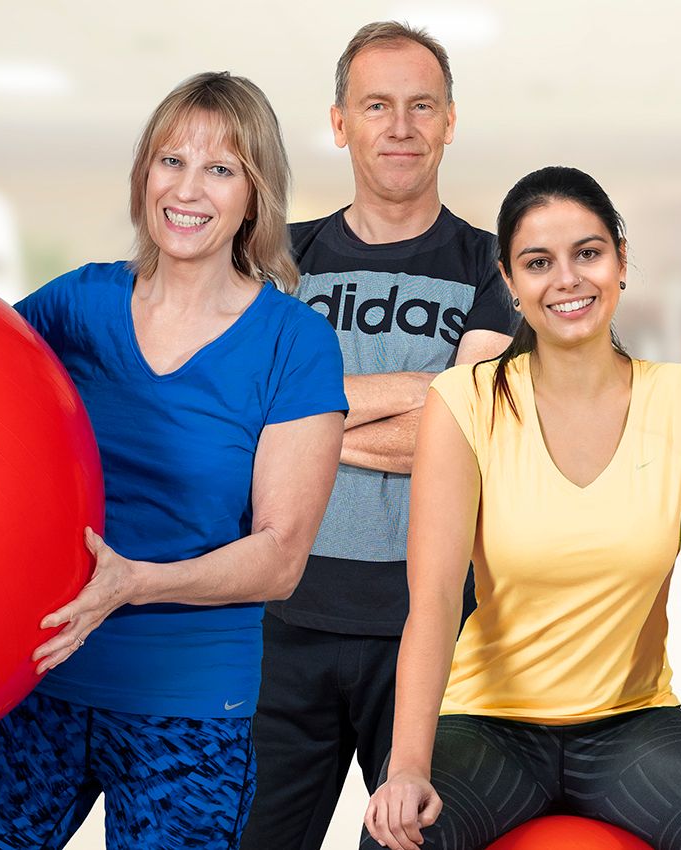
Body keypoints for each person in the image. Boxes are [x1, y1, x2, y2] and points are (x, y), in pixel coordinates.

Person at [0, 71, 347, 850]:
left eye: (220, 170)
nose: (188, 189)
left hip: (187, 712)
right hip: (39, 684)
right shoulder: (74, 306)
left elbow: (280, 558)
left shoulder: (294, 344)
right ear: (142, 175)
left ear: (253, 197)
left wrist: (135, 583)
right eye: (170, 161)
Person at [361, 166, 681, 850]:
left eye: (587, 253)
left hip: (633, 725)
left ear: (622, 260)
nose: (566, 279)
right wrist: (408, 766)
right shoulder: (464, 401)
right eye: (539, 263)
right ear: (508, 282)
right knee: (397, 838)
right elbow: (437, 598)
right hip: (485, 724)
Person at [240, 22, 516, 850]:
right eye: (377, 105)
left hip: (432, 627)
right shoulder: (277, 260)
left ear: (450, 121)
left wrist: (299, 416)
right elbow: (235, 416)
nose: (401, 126)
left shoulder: (495, 266)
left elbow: (472, 428)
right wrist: (424, 402)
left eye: (421, 106)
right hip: (277, 623)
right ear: (339, 123)